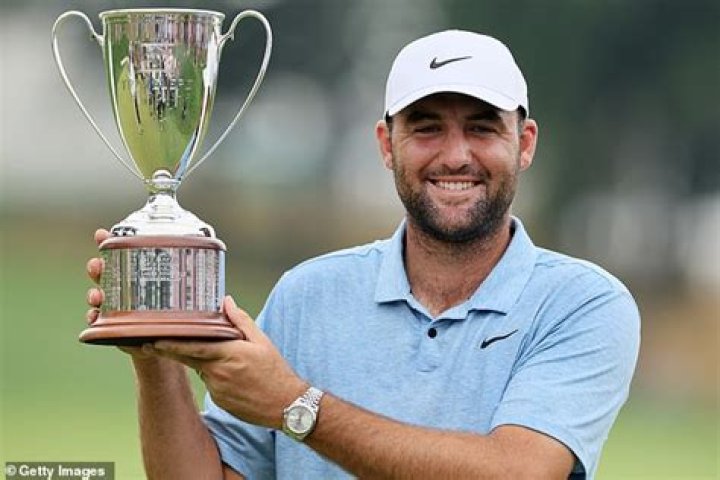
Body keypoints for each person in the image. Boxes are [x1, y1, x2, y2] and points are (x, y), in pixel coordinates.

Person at [86, 30, 640, 479]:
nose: (455, 155)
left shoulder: (583, 304)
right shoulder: (306, 295)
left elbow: (518, 472)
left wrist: (296, 406)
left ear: (524, 143)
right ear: (385, 144)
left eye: (481, 128)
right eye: (426, 128)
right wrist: (154, 354)